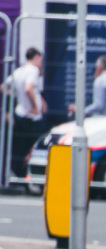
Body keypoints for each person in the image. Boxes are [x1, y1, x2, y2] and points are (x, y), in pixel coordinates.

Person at [7, 48, 46, 179]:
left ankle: (20, 176)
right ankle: (32, 177)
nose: (41, 63)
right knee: (36, 149)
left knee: (20, 149)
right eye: (40, 60)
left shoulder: (19, 71)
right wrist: (35, 107)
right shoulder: (33, 70)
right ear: (35, 57)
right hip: (31, 118)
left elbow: (5, 87)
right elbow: (29, 88)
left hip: (20, 115)